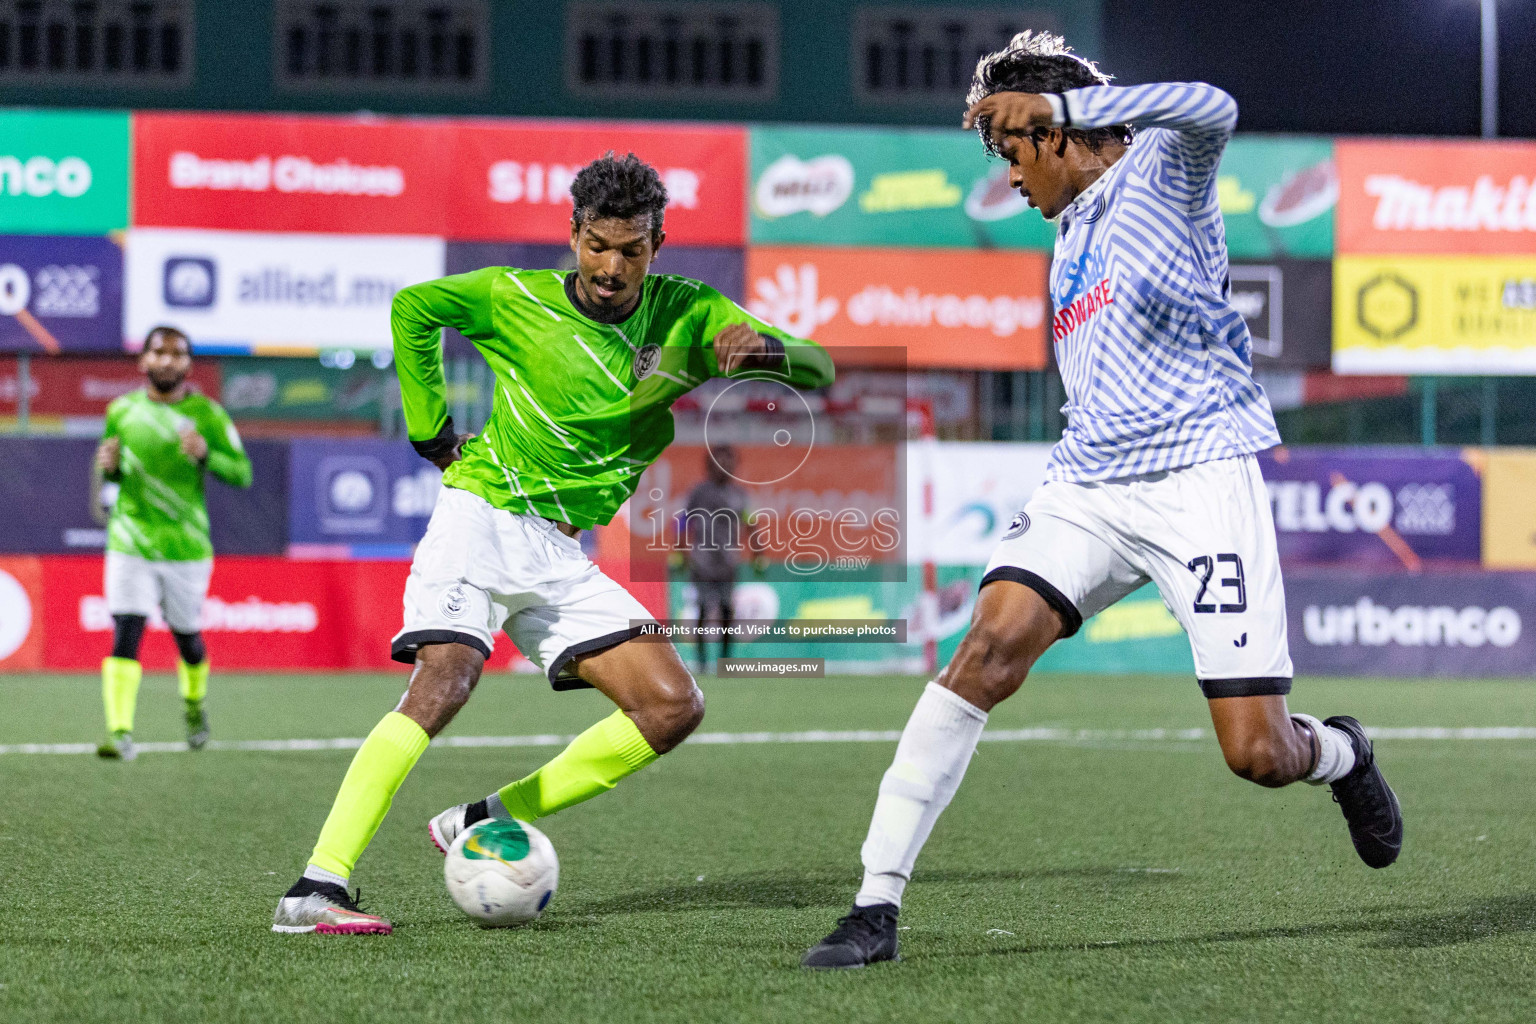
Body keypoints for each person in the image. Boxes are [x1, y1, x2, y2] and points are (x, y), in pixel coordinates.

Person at [802, 32, 1402, 969]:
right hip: (1088, 481)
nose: (1007, 181)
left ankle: (1342, 755)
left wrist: (1069, 106)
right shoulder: (1068, 230)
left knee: (1257, 753)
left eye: (1011, 155)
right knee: (986, 649)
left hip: (1201, 478)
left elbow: (1216, 102)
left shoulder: (1161, 172)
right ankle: (874, 905)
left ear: (1053, 133)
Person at [273, 153, 834, 935]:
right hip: (482, 514)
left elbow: (822, 367)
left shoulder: (691, 314)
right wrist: (433, 434)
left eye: (631, 250)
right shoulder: (514, 297)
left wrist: (766, 353)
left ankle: (482, 816)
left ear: (657, 245)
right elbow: (413, 308)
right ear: (573, 236)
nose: (611, 267)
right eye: (597, 245)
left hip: (560, 555)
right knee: (447, 681)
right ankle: (315, 887)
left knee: (672, 705)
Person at [93, 325, 253, 760]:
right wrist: (108, 468)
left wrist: (207, 455)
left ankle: (194, 705)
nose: (166, 360)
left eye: (176, 353)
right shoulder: (121, 410)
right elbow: (112, 471)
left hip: (186, 546)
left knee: (188, 640)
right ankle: (119, 732)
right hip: (130, 539)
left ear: (187, 363)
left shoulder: (208, 414)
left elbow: (242, 473)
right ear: (143, 360)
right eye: (158, 352)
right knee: (126, 630)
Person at [681, 445, 762, 671]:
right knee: (704, 609)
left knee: (727, 611)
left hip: (728, 563)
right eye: (720, 461)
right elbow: (683, 521)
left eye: (728, 462)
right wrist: (679, 551)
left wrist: (758, 554)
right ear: (709, 465)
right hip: (702, 562)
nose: (724, 466)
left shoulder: (740, 495)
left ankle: (726, 662)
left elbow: (751, 524)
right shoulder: (698, 493)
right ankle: (702, 663)